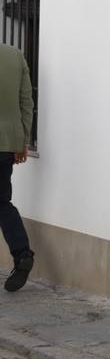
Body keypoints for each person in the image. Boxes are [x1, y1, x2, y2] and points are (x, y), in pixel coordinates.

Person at [0, 44, 35, 293]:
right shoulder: (14, 55)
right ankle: (22, 254)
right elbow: (26, 101)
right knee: (2, 202)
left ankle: (22, 254)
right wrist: (22, 139)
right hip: (6, 142)